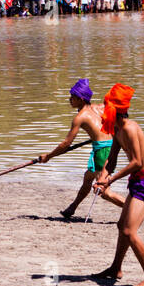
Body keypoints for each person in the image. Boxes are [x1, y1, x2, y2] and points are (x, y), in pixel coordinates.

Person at [92, 84, 144, 286]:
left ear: (118, 108)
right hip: (136, 181)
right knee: (121, 227)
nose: (104, 110)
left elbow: (138, 162)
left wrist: (110, 181)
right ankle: (116, 268)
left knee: (129, 231)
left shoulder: (130, 128)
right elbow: (112, 159)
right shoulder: (117, 129)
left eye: (107, 106)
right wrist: (103, 177)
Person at [38, 78, 124, 219]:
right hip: (111, 147)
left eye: (73, 97)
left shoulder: (80, 117)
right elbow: (117, 119)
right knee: (88, 177)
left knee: (104, 191)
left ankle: (132, 208)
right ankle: (72, 208)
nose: (70, 100)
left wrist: (48, 156)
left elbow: (66, 143)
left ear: (82, 99)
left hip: (102, 153)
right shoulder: (101, 107)